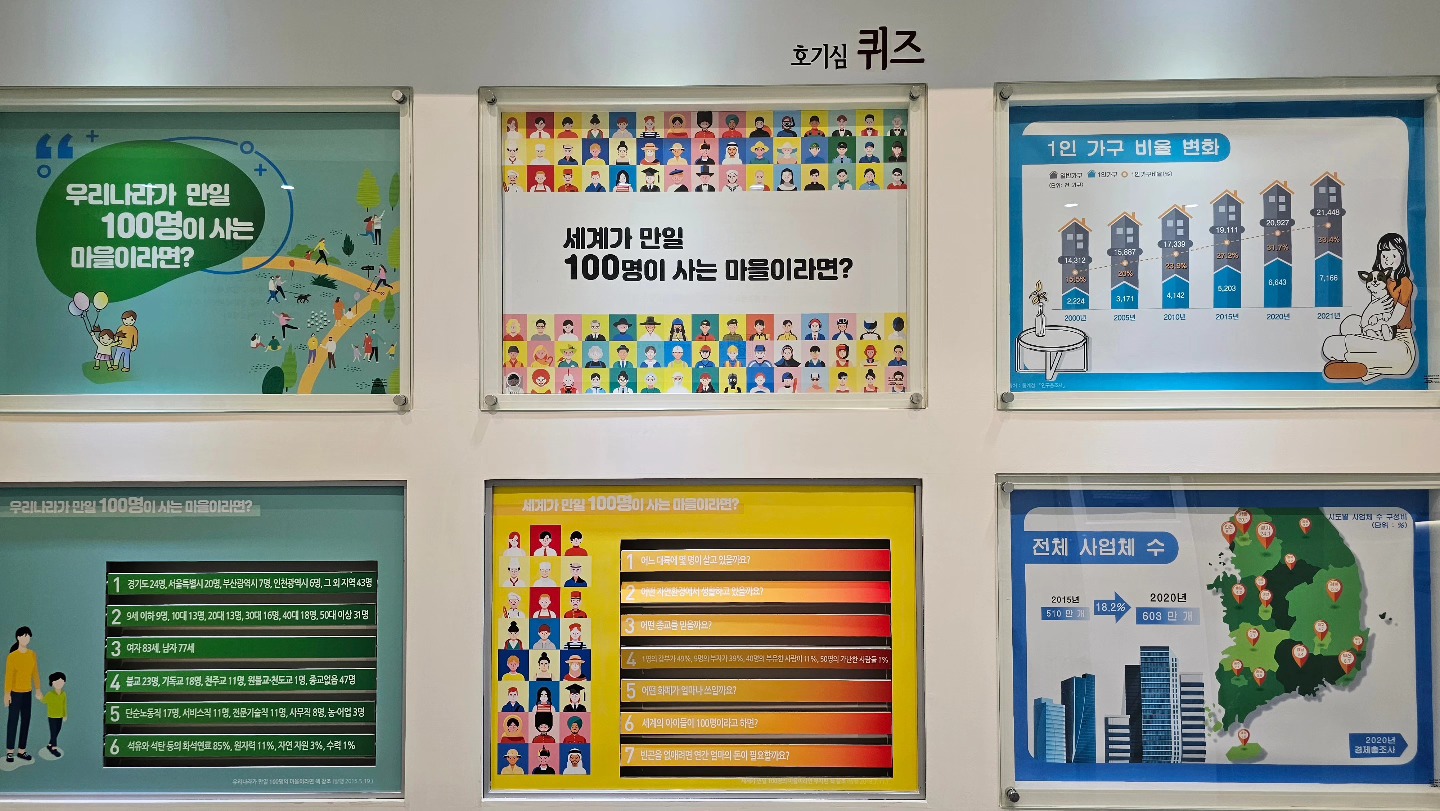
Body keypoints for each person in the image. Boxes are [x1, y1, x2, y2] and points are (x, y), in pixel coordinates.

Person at [5, 627, 42, 764]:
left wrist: (38, 689)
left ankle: (22, 750)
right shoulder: (12, 656)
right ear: (18, 637)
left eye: (28, 636)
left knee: (26, 721)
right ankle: (10, 752)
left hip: (27, 692)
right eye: (23, 636)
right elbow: (9, 676)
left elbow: (35, 673)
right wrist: (7, 694)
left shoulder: (32, 654)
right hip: (15, 693)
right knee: (13, 721)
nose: (26, 638)